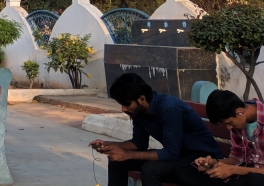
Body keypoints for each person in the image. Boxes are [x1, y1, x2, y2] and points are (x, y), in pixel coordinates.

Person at [90, 73, 222, 186]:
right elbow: (138, 143)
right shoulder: (138, 112)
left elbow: (170, 153)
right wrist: (108, 145)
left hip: (201, 159)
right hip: (179, 156)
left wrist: (127, 154)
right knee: (117, 161)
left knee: (151, 169)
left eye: (127, 104)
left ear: (142, 99)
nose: (123, 109)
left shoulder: (169, 108)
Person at [174, 89, 264, 186]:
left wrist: (233, 170)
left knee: (253, 179)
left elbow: (239, 170)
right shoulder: (238, 121)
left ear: (240, 113)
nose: (229, 127)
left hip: (256, 178)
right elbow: (237, 157)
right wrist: (213, 162)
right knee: (184, 169)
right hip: (242, 174)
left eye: (229, 123)